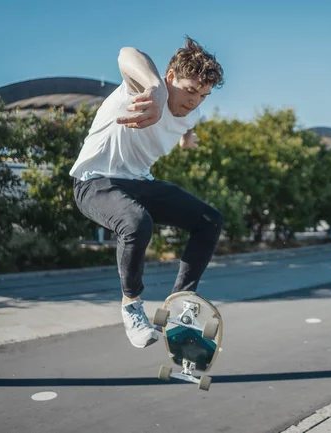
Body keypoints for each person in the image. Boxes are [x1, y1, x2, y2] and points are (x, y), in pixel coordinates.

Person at [69, 37, 225, 349]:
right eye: (190, 90)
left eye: (203, 95)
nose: (195, 101)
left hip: (140, 183)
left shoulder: (191, 113)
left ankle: (180, 304)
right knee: (136, 223)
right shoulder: (145, 89)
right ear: (170, 79)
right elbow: (127, 53)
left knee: (210, 220)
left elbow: (188, 121)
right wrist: (153, 87)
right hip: (96, 182)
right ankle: (131, 304)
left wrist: (186, 139)